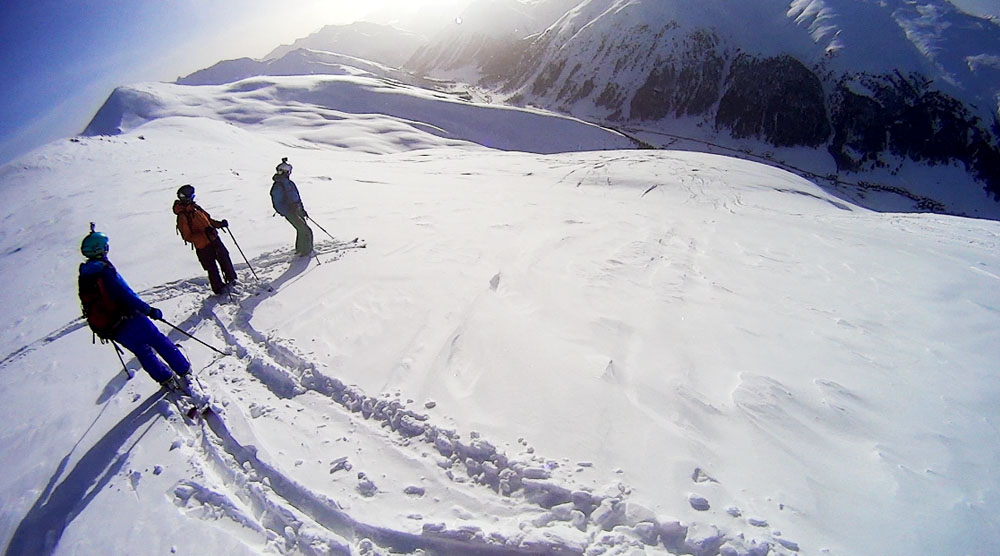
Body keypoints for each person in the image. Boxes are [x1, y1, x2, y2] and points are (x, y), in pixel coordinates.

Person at [78, 225, 191, 388]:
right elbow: (126, 295)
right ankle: (183, 368)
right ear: (99, 249)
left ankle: (164, 378)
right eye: (105, 246)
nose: (107, 249)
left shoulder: (85, 274)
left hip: (112, 326)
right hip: (130, 318)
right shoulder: (105, 271)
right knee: (158, 340)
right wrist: (149, 310)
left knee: (142, 352)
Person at [173, 184, 237, 294]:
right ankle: (219, 289)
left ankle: (232, 280)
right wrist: (205, 234)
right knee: (211, 267)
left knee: (224, 258)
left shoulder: (196, 208)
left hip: (213, 239)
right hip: (203, 246)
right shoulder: (183, 216)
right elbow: (187, 236)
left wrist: (219, 224)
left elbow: (208, 221)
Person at [270, 157, 314, 256]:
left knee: (302, 230)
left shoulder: (289, 183)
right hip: (291, 212)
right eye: (288, 172)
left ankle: (301, 250)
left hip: (296, 210)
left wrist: (302, 209)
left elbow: (297, 198)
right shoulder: (278, 186)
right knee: (306, 231)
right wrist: (288, 210)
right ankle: (306, 253)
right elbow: (277, 203)